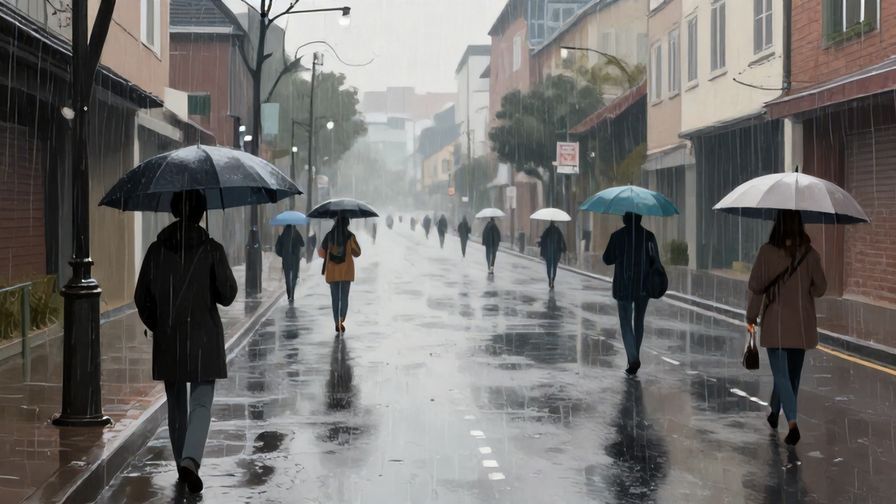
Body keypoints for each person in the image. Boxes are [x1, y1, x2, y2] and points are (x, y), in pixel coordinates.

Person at [135, 190, 237, 494]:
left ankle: (182, 462)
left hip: (170, 340)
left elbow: (141, 297)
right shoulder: (212, 249)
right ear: (201, 214)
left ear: (175, 211)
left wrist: (159, 324)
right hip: (205, 339)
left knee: (176, 405)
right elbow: (228, 295)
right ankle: (191, 460)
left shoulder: (156, 250)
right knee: (201, 403)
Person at [746, 210, 826, 446]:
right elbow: (821, 288)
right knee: (791, 377)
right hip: (801, 325)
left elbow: (756, 288)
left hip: (776, 325)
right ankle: (774, 413)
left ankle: (792, 424)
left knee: (781, 375)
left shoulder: (766, 252)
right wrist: (805, 288)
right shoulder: (810, 254)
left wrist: (751, 317)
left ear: (777, 224)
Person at [602, 212, 658, 377]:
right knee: (638, 321)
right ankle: (634, 357)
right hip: (644, 286)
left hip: (624, 286)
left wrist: (620, 253)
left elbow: (607, 259)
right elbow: (655, 261)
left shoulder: (617, 236)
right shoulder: (649, 236)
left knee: (626, 323)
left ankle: (633, 358)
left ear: (625, 219)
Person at [319, 215, 362, 334]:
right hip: (346, 272)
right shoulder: (350, 236)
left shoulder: (329, 236)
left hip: (332, 272)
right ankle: (341, 319)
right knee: (344, 297)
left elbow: (321, 252)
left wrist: (331, 254)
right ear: (347, 223)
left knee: (335, 298)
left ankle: (336, 322)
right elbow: (357, 253)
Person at [275, 224, 304, 303]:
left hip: (286, 260)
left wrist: (283, 254)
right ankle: (292, 294)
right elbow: (302, 243)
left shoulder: (283, 234)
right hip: (295, 260)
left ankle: (289, 294)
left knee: (287, 278)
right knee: (294, 278)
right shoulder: (296, 233)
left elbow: (277, 249)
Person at [539, 222, 567, 289]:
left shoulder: (547, 230)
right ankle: (552, 280)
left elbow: (543, 240)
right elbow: (562, 240)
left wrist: (540, 244)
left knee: (549, 267)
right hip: (555, 253)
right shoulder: (557, 231)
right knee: (554, 268)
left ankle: (550, 280)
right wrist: (564, 248)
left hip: (549, 253)